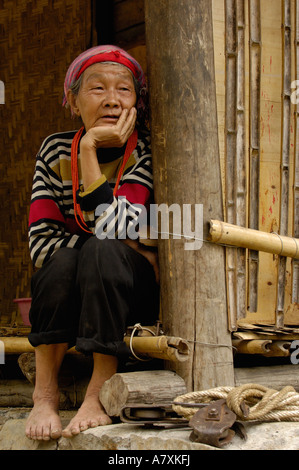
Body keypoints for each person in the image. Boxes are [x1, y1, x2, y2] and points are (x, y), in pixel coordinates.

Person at [25, 45, 160, 441]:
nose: (113, 100)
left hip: (130, 298)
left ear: (137, 102)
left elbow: (115, 231)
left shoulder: (145, 151)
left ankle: (99, 390)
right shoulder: (54, 151)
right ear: (72, 100)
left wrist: (116, 243)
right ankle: (44, 393)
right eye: (97, 88)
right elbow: (40, 246)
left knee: (101, 250)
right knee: (65, 261)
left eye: (124, 90)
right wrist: (86, 147)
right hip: (76, 287)